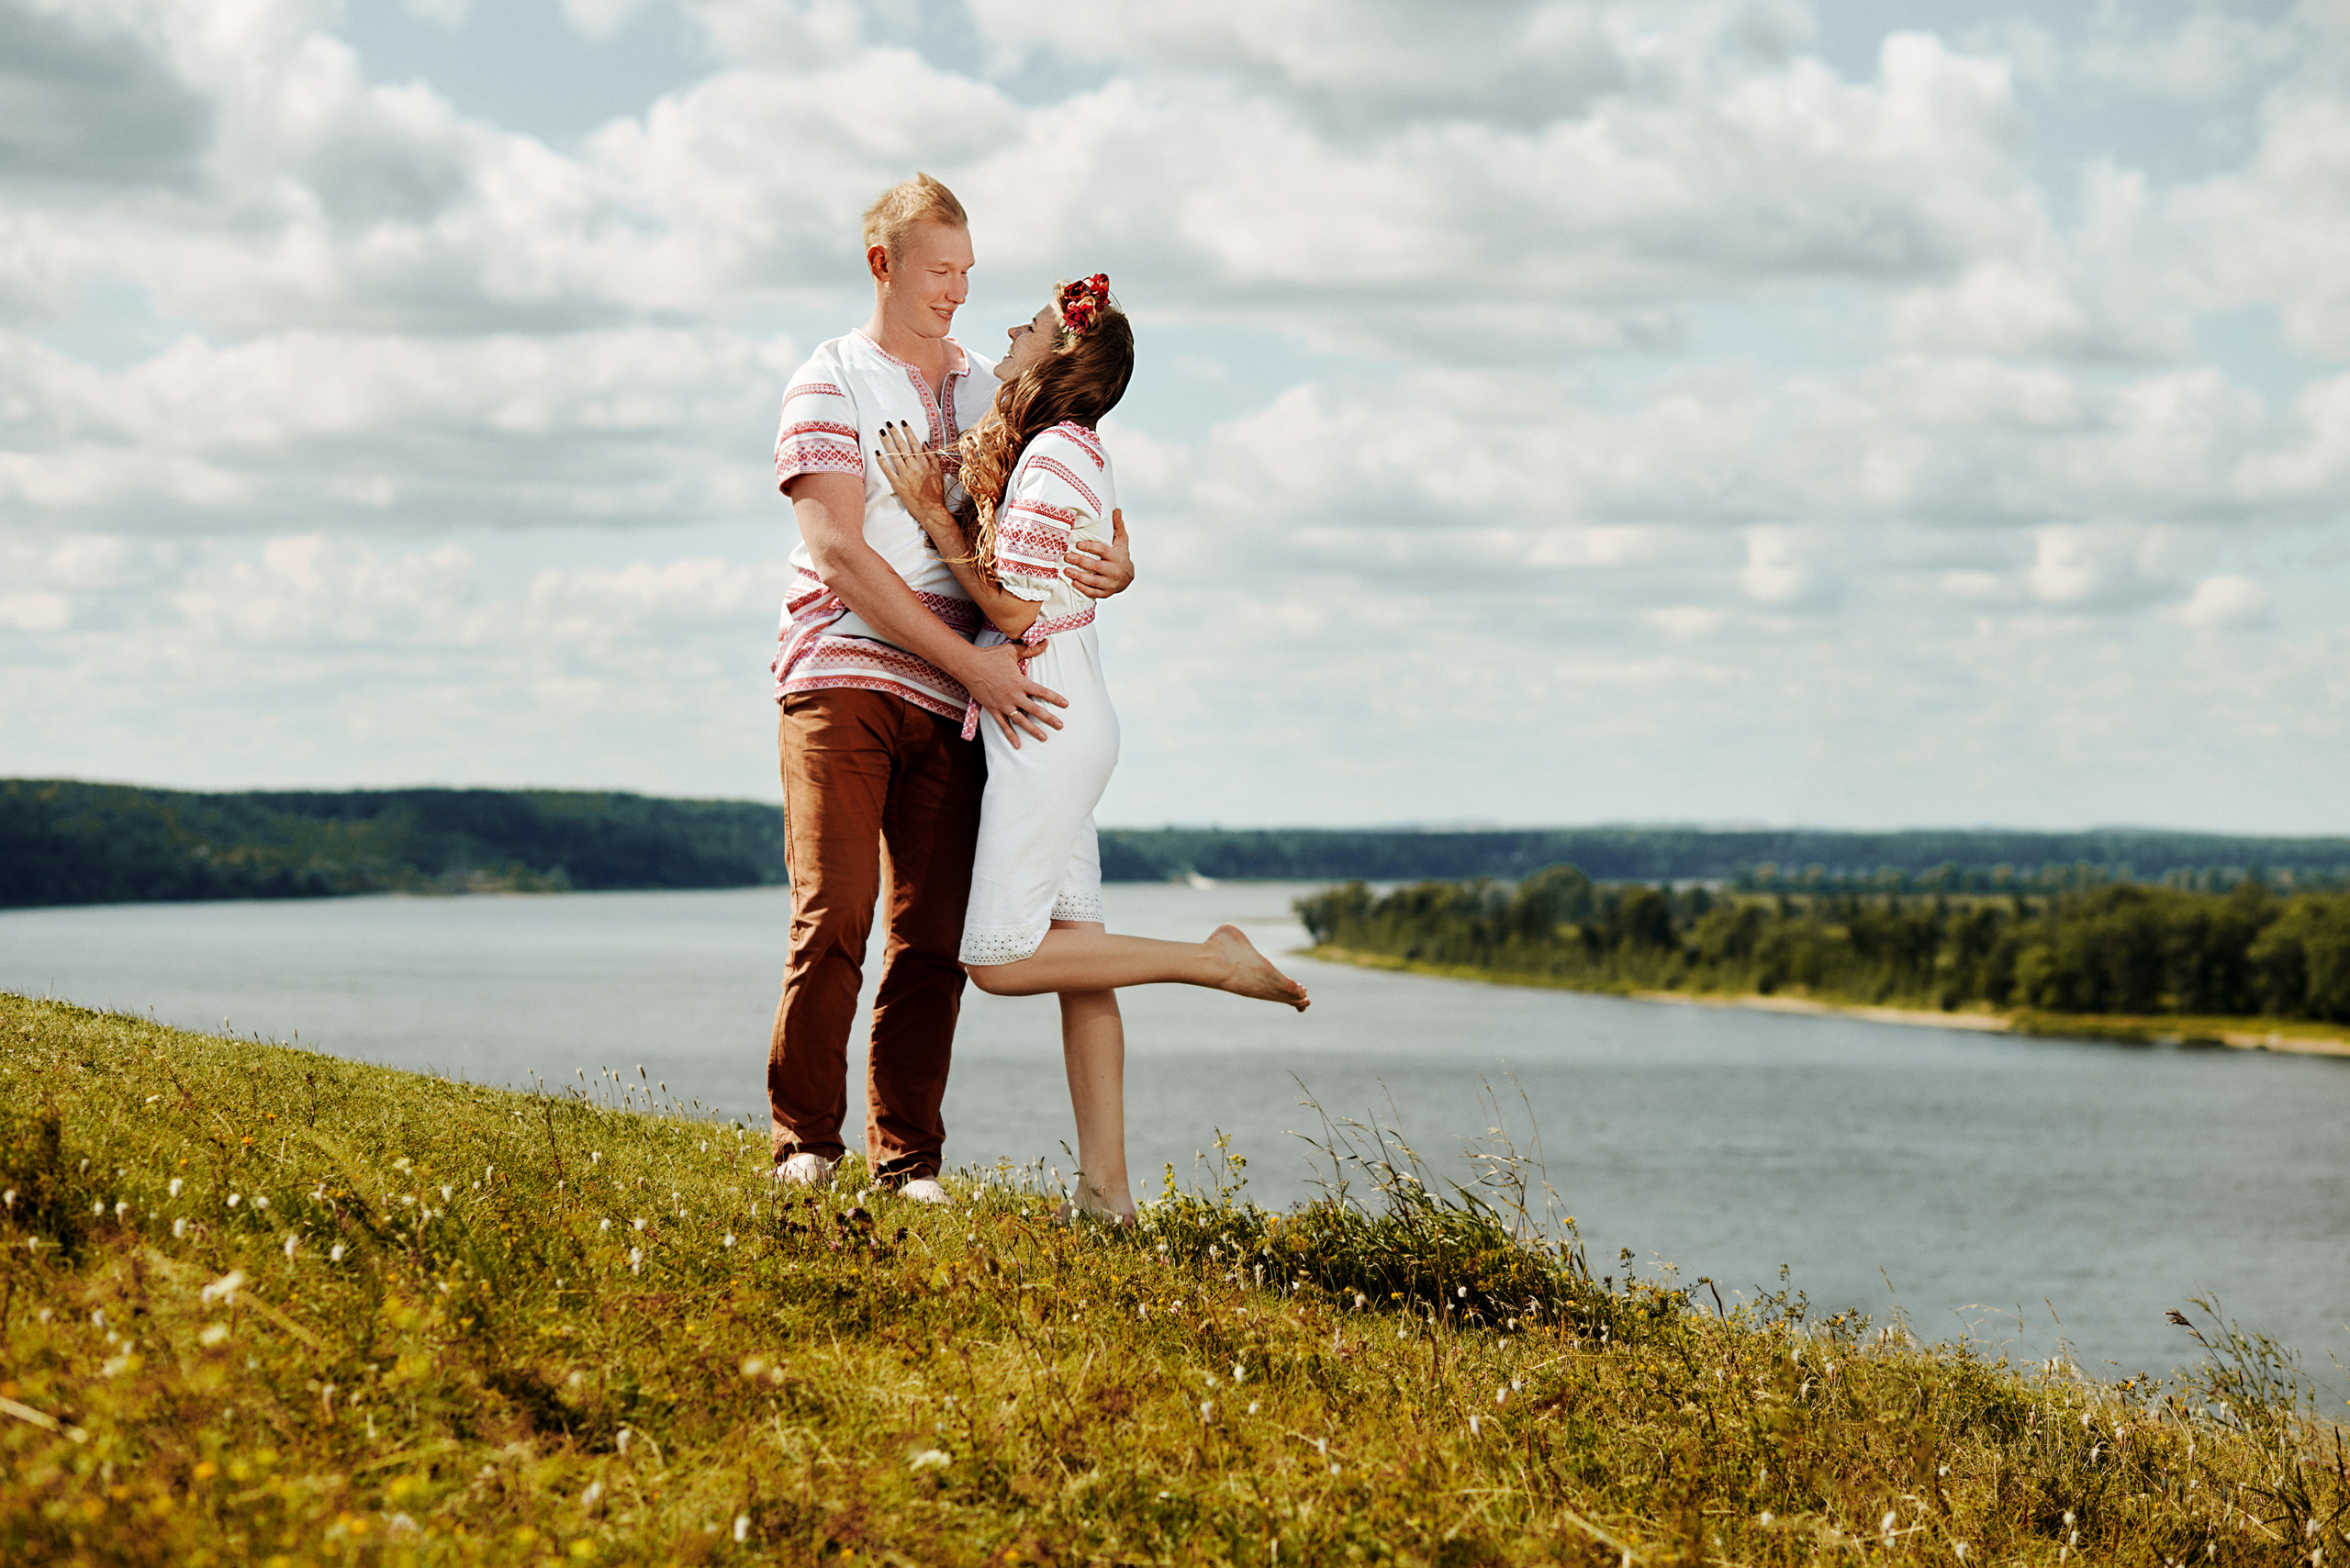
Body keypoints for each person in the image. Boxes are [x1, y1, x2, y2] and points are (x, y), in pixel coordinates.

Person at [873, 274, 1308, 1224]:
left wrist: (928, 513)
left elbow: (1010, 609)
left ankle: (1213, 960)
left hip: (1046, 720)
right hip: (1064, 711)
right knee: (1081, 955)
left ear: (1061, 356)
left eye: (1027, 329)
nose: (1012, 335)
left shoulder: (1058, 454)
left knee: (994, 959)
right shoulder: (1065, 450)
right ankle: (1106, 1194)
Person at [767, 174, 1135, 1204]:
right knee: (834, 911)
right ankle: (806, 1139)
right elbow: (836, 549)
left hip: (960, 702)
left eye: (968, 274)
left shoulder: (991, 385)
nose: (958, 294)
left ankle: (908, 1161)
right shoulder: (828, 378)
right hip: (844, 670)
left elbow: (1072, 462)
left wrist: (1121, 558)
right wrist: (972, 658)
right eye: (939, 271)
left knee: (929, 937)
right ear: (883, 264)